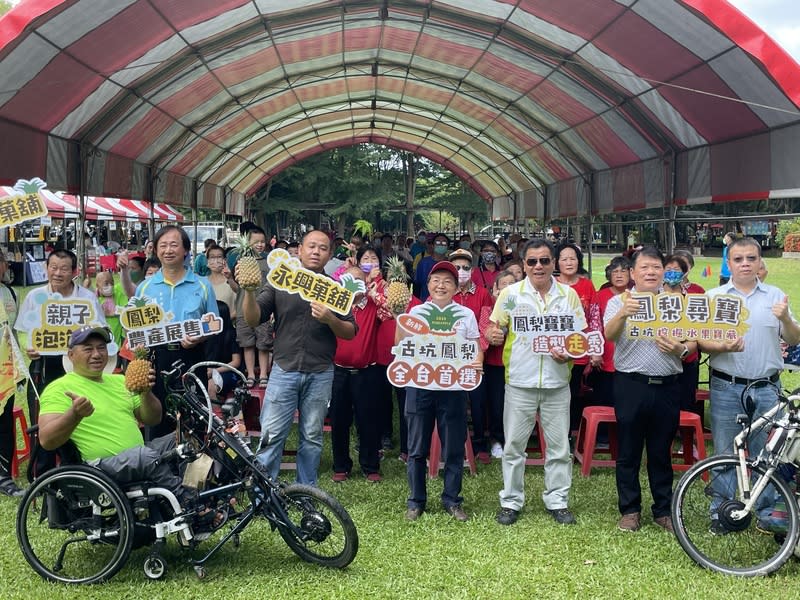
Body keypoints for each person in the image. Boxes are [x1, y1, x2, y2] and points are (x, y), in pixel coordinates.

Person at [36, 326, 203, 520]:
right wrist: (75, 414)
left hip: (138, 455)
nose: (97, 354)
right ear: (71, 355)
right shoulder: (59, 388)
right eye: (88, 349)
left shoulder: (119, 381)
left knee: (186, 438)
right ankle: (191, 504)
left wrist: (146, 392)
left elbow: (153, 419)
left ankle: (198, 492)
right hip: (100, 466)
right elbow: (46, 440)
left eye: (101, 348)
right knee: (145, 456)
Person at [701, 237, 800, 534]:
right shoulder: (713, 296)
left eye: (751, 258)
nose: (745, 264)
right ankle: (723, 510)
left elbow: (794, 339)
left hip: (766, 387)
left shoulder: (776, 296)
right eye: (739, 259)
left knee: (768, 452)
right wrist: (722, 345)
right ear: (728, 263)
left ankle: (768, 511)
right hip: (726, 386)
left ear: (760, 262)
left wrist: (785, 318)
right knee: (725, 450)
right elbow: (701, 342)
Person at [242, 230, 357, 486]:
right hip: (284, 368)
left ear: (329, 255)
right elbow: (253, 318)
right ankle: (264, 494)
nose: (316, 252)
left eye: (323, 248)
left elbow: (350, 331)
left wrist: (330, 319)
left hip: (320, 371)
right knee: (271, 434)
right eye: (311, 246)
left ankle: (306, 491)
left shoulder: (334, 290)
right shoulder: (280, 280)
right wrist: (248, 292)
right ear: (300, 250)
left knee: (312, 436)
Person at [487, 239, 585, 526]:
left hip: (556, 382)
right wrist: (493, 334)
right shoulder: (510, 294)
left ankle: (557, 500)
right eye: (532, 261)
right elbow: (496, 326)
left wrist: (568, 351)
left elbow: (578, 339)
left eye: (544, 261)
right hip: (520, 381)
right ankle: (511, 501)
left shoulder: (569, 296)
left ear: (554, 263)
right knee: (514, 446)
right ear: (523, 265)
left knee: (558, 447)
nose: (538, 266)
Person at [603, 247, 697, 533]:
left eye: (656, 267)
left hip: (667, 386)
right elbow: (609, 334)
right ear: (632, 273)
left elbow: (692, 341)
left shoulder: (677, 302)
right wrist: (623, 313)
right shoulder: (619, 301)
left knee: (660, 451)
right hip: (631, 384)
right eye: (644, 267)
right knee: (629, 451)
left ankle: (663, 510)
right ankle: (630, 510)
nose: (651, 272)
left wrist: (681, 350)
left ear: (663, 271)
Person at [402, 261, 482, 522]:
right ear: (428, 285)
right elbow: (402, 347)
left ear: (456, 287)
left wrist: (476, 362)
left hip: (453, 386)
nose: (441, 285)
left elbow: (474, 347)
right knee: (416, 447)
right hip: (421, 384)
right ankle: (416, 501)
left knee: (453, 447)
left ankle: (452, 500)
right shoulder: (416, 313)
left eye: (448, 281)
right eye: (436, 280)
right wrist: (397, 320)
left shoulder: (465, 315)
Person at [135, 225, 219, 440]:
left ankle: (196, 470)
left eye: (174, 244)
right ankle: (159, 469)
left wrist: (201, 336)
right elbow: (135, 327)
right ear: (155, 250)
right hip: (157, 358)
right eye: (162, 245)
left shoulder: (202, 285)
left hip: (191, 357)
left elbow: (213, 324)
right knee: (158, 418)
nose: (168, 250)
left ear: (186, 250)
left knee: (194, 418)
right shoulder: (144, 288)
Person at [15, 249, 106, 406]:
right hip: (43, 364)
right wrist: (28, 347)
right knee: (44, 411)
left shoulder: (87, 298)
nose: (57, 273)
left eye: (64, 269)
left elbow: (102, 330)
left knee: (80, 412)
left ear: (74, 272)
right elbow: (22, 329)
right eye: (53, 267)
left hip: (79, 366)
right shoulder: (35, 296)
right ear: (46, 267)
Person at [330, 264, 383, 482]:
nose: (354, 285)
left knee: (369, 420)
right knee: (339, 420)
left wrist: (374, 293)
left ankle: (371, 466)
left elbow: (395, 310)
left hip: (367, 372)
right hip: (338, 371)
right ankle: (341, 465)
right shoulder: (334, 304)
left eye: (359, 280)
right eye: (349, 280)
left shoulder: (373, 304)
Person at [449, 248, 494, 463]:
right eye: (456, 267)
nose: (461, 271)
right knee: (452, 402)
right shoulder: (442, 293)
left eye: (465, 267)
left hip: (475, 356)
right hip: (447, 356)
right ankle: (454, 442)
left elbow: (485, 325)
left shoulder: (483, 293)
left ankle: (480, 444)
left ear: (472, 269)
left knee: (477, 403)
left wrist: (479, 356)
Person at [555, 242, 601, 436]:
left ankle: (570, 434)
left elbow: (595, 317)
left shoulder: (587, 285)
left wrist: (595, 349)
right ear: (556, 262)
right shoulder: (550, 284)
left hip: (579, 349)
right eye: (564, 259)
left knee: (573, 394)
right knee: (556, 395)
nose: (569, 262)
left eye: (572, 258)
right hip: (555, 349)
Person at [228, 226, 272, 388]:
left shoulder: (269, 263)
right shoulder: (240, 262)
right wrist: (229, 278)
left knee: (263, 344)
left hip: (263, 310)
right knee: (247, 344)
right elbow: (236, 288)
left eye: (262, 242)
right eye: (256, 242)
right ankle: (251, 374)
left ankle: (264, 374)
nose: (260, 245)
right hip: (242, 310)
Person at [485, 269, 516, 458]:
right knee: (497, 405)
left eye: (512, 283)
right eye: (503, 284)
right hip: (495, 363)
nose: (508, 287)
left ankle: (513, 441)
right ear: (496, 288)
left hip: (517, 363)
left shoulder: (524, 304)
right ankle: (496, 440)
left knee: (515, 406)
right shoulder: (489, 307)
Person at [0, 252, 23, 497]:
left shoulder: (10, 293)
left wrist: (19, 369)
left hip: (5, 371)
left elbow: (13, 333)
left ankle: (3, 476)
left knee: (4, 423)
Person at [414, 233, 449, 301]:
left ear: (447, 247)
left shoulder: (451, 263)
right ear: (432, 245)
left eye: (444, 243)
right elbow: (417, 284)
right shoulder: (423, 263)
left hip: (446, 302)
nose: (441, 244)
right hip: (425, 303)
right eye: (438, 242)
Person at [205, 245, 237, 318]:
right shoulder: (202, 282)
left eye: (219, 257)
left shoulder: (231, 281)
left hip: (229, 326)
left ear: (224, 260)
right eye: (212, 257)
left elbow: (240, 305)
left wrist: (226, 321)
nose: (216, 260)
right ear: (208, 261)